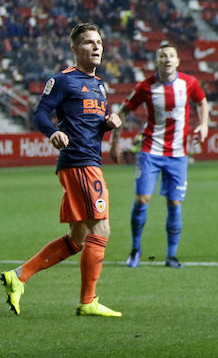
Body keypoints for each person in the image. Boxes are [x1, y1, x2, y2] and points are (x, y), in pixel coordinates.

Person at [2, 23, 122, 317]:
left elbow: (90, 128)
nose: (96, 47)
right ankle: (88, 300)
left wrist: (107, 125)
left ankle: (18, 276)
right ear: (74, 49)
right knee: (101, 228)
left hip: (89, 161)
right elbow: (40, 113)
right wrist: (53, 132)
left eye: (99, 42)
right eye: (88, 43)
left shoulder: (101, 86)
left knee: (78, 239)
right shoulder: (64, 80)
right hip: (79, 163)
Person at [110, 42, 209, 269]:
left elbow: (202, 102)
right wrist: (114, 144)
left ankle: (171, 256)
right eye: (162, 56)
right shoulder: (146, 86)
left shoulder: (189, 83)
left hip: (178, 153)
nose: (167, 59)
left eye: (171, 55)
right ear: (157, 61)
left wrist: (204, 125)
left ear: (177, 61)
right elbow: (123, 111)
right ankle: (135, 250)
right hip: (150, 151)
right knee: (142, 199)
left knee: (175, 203)